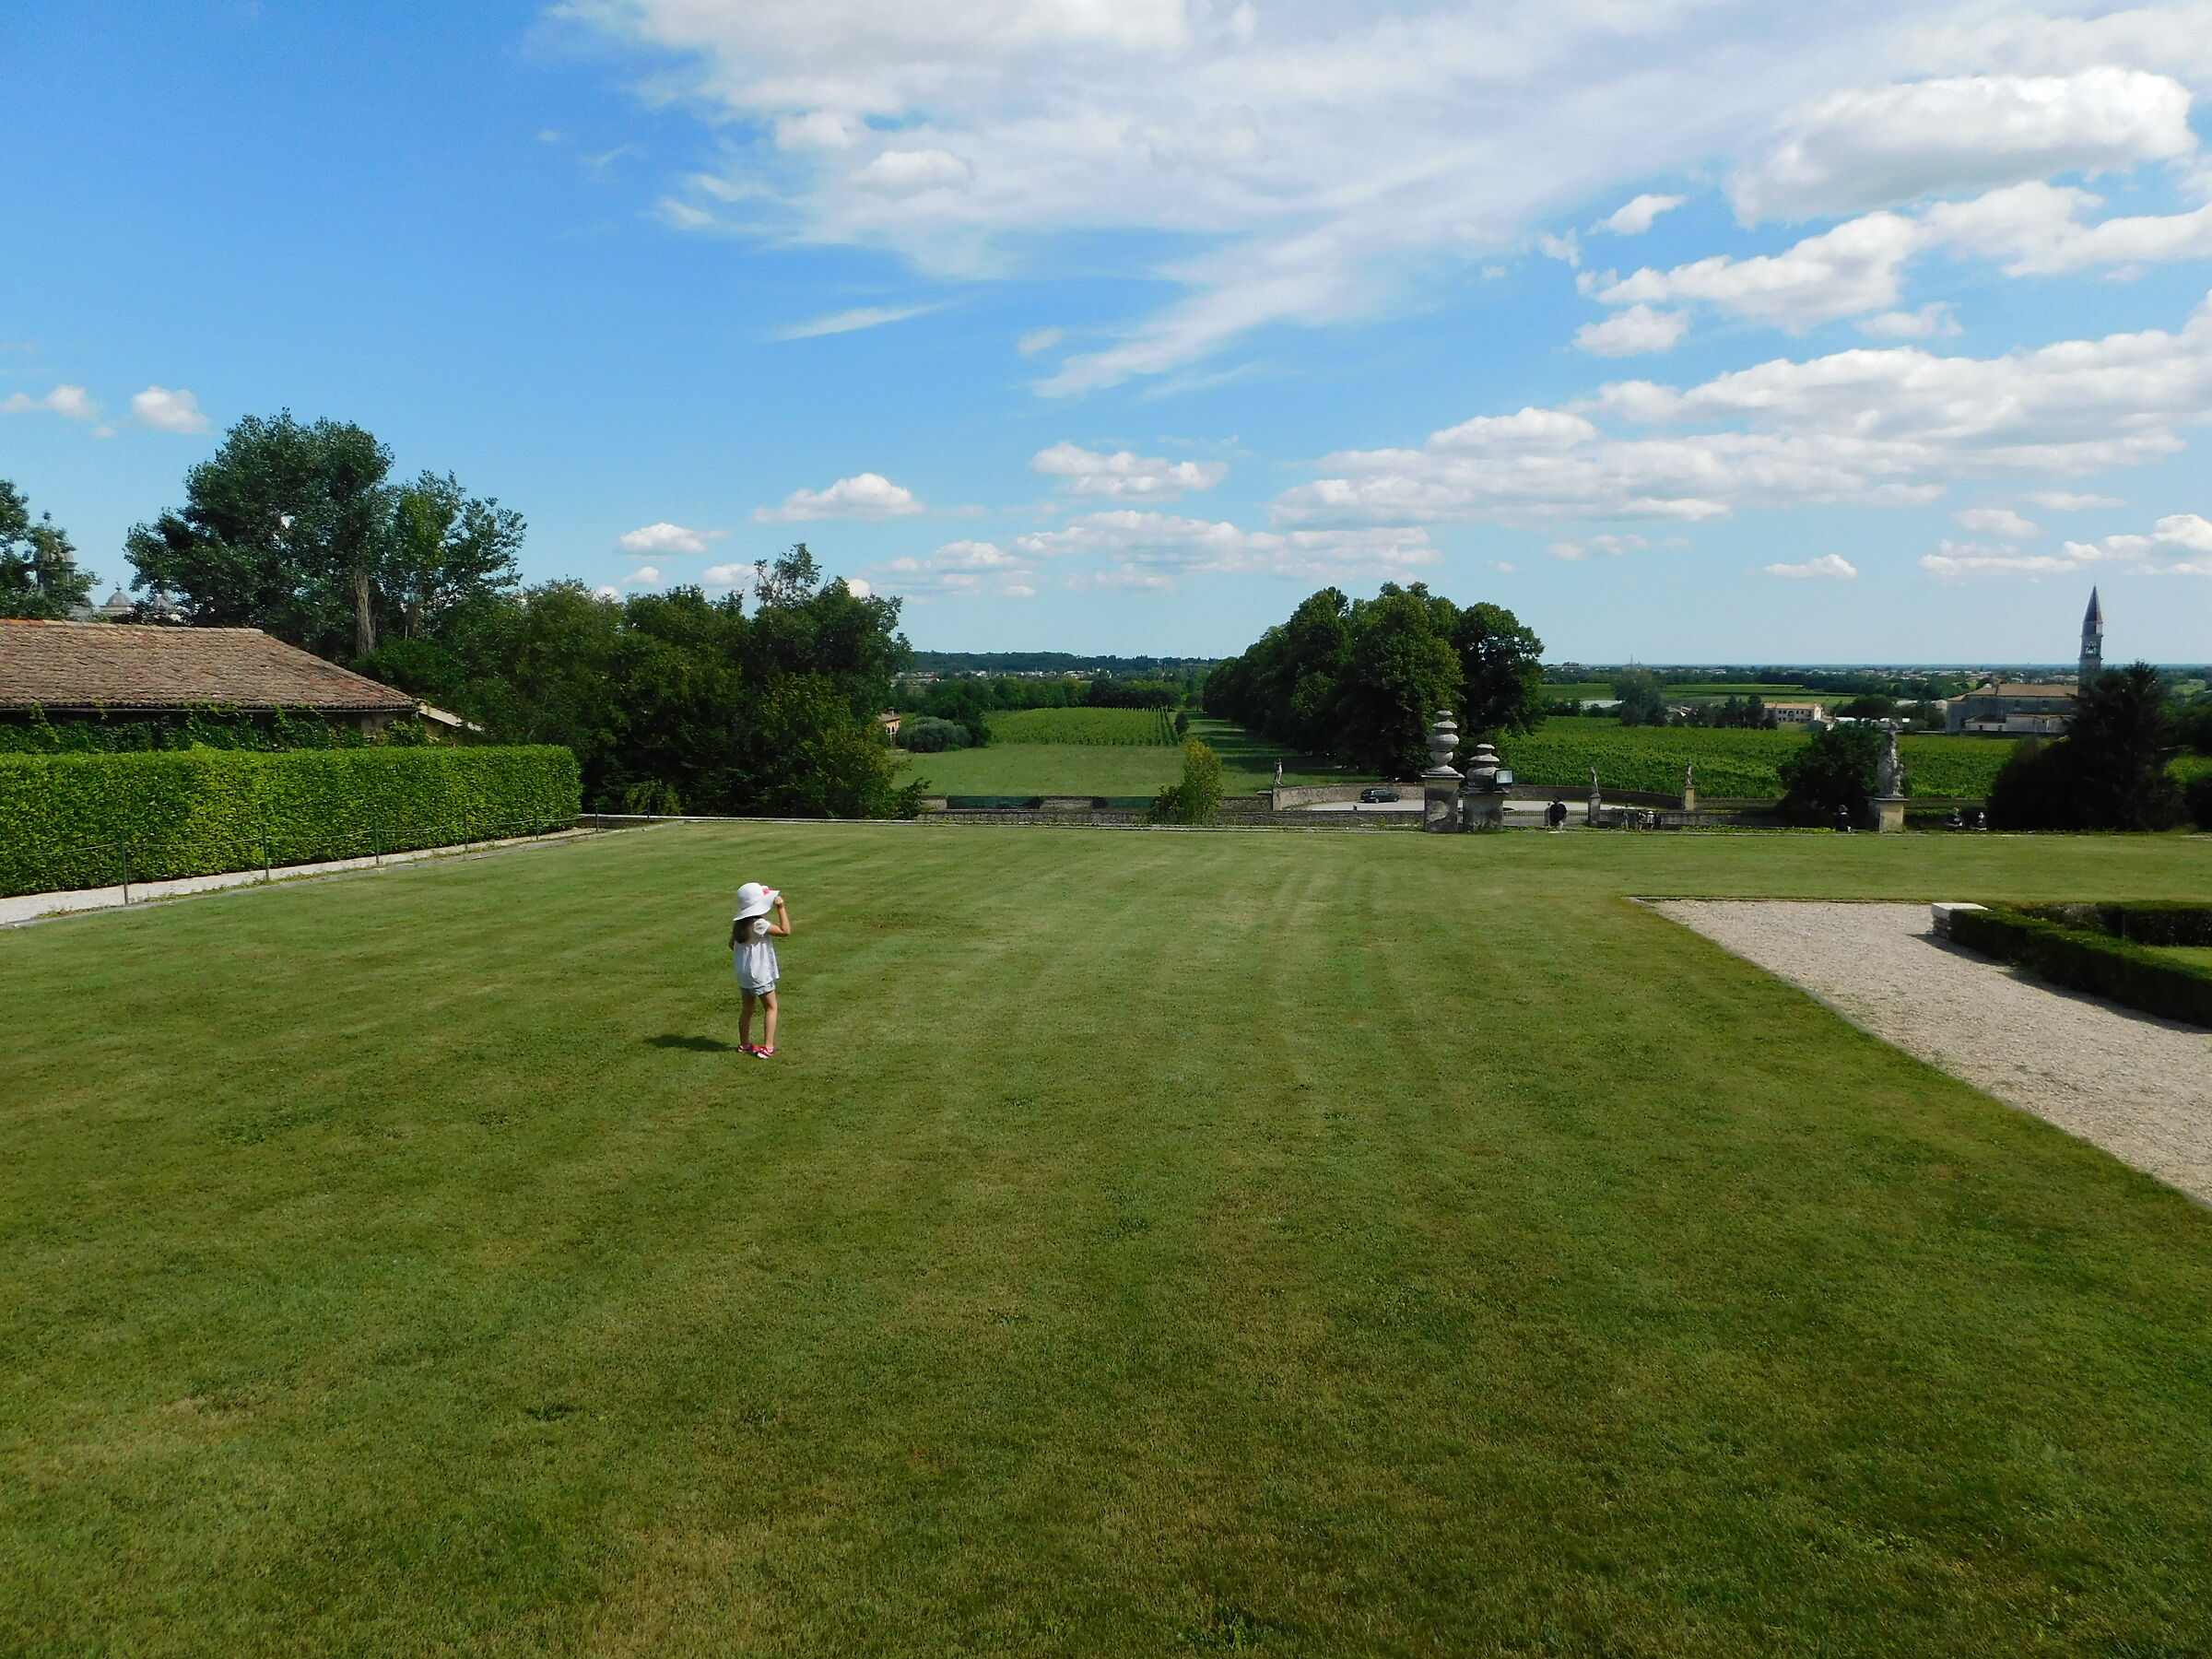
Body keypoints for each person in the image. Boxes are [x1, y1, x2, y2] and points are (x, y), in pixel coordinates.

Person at [729, 881, 791, 1058]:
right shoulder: (759, 924)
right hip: (759, 974)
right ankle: (768, 1046)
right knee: (771, 1007)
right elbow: (785, 931)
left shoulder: (739, 925)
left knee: (747, 1008)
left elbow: (731, 945)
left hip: (744, 974)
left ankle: (744, 1044)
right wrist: (781, 908)